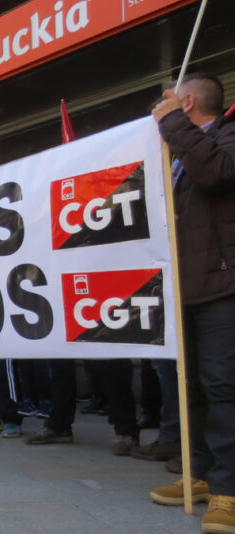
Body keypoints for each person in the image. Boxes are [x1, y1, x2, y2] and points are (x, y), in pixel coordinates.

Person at [148, 73, 235, 531]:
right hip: (185, 286)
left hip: (223, 284)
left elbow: (216, 172)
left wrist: (173, 125)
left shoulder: (226, 137)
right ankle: (200, 474)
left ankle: (229, 490)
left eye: (164, 104)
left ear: (186, 101)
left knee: (224, 388)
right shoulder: (174, 150)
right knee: (194, 388)